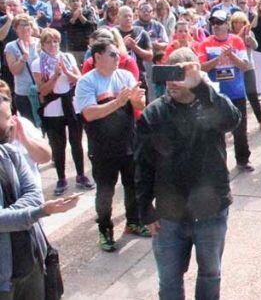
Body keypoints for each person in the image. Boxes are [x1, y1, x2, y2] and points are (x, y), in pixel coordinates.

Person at [135, 48, 241, 300]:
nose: (171, 82)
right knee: (169, 282)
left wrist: (202, 87)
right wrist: (144, 209)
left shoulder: (209, 102)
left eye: (178, 75)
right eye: (167, 73)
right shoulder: (155, 113)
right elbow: (142, 164)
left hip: (211, 210)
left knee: (210, 274)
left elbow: (232, 120)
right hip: (170, 214)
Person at [75, 38, 150, 252]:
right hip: (103, 149)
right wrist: (118, 101)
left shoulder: (125, 75)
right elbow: (89, 113)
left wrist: (136, 99)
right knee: (106, 191)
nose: (119, 58)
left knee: (133, 185)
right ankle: (105, 230)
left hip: (129, 143)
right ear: (97, 57)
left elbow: (140, 106)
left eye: (118, 54)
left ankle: (134, 222)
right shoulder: (87, 82)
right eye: (113, 54)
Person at [0, 100, 80, 300]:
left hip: (31, 262)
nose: (13, 123)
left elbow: (35, 194)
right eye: (7, 117)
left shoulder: (10, 152)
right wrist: (38, 212)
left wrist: (13, 214)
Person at [31, 28, 93, 196]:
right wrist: (55, 76)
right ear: (42, 44)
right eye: (49, 42)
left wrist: (66, 72)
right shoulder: (37, 63)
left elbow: (79, 80)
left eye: (55, 41)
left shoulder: (68, 57)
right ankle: (61, 177)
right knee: (58, 146)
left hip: (70, 104)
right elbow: (42, 91)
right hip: (52, 108)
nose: (53, 45)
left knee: (76, 141)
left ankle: (80, 175)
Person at [196, 10, 254, 171]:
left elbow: (245, 66)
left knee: (240, 129)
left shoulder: (236, 41)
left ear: (227, 24)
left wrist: (231, 56)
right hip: (215, 94)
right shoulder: (205, 43)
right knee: (216, 130)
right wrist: (218, 60)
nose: (216, 26)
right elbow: (201, 67)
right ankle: (218, 164)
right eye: (213, 23)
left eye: (219, 23)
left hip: (236, 92)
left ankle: (243, 160)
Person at [230, 11, 261, 132]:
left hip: (248, 67)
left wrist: (249, 38)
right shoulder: (230, 36)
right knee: (238, 97)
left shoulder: (249, 33)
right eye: (236, 22)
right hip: (234, 68)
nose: (239, 25)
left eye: (242, 22)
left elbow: (256, 46)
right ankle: (239, 126)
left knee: (252, 95)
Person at [3, 16, 40, 122]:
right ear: (15, 29)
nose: (25, 28)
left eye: (27, 24)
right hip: (24, 93)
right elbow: (14, 71)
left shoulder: (40, 43)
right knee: (30, 126)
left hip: (41, 91)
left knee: (48, 126)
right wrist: (23, 58)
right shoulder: (11, 46)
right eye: (21, 25)